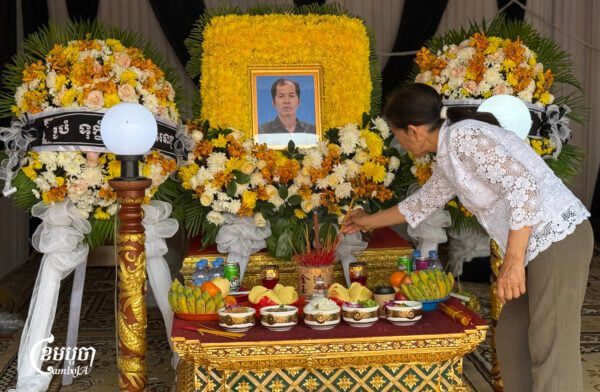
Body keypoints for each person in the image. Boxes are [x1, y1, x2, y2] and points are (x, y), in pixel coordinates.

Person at [342, 83, 592, 392]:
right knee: (513, 335)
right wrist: (366, 221)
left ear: (414, 131)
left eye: (398, 134)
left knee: (550, 343)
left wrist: (512, 262)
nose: (400, 143)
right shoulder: (449, 151)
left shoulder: (465, 137)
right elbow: (421, 203)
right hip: (531, 244)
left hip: (556, 236)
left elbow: (523, 187)